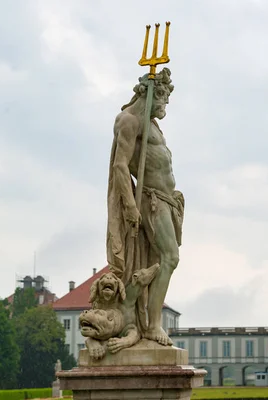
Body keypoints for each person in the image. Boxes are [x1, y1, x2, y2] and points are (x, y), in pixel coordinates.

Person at [106, 68, 183, 346]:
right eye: (163, 98)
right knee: (169, 258)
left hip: (166, 200)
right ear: (151, 93)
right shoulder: (129, 121)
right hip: (150, 201)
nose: (165, 106)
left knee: (159, 262)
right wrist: (129, 205)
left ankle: (146, 321)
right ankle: (152, 325)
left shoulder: (151, 124)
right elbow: (120, 165)